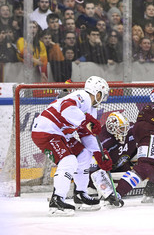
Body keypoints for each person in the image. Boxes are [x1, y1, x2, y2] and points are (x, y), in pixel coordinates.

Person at [31, 76, 112, 216]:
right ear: (98, 93)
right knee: (69, 160)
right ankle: (57, 200)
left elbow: (86, 134)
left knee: (84, 155)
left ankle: (80, 194)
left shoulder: (90, 109)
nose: (102, 98)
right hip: (46, 131)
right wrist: (87, 121)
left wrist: (100, 153)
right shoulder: (83, 96)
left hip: (59, 133)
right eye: (102, 95)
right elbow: (66, 108)